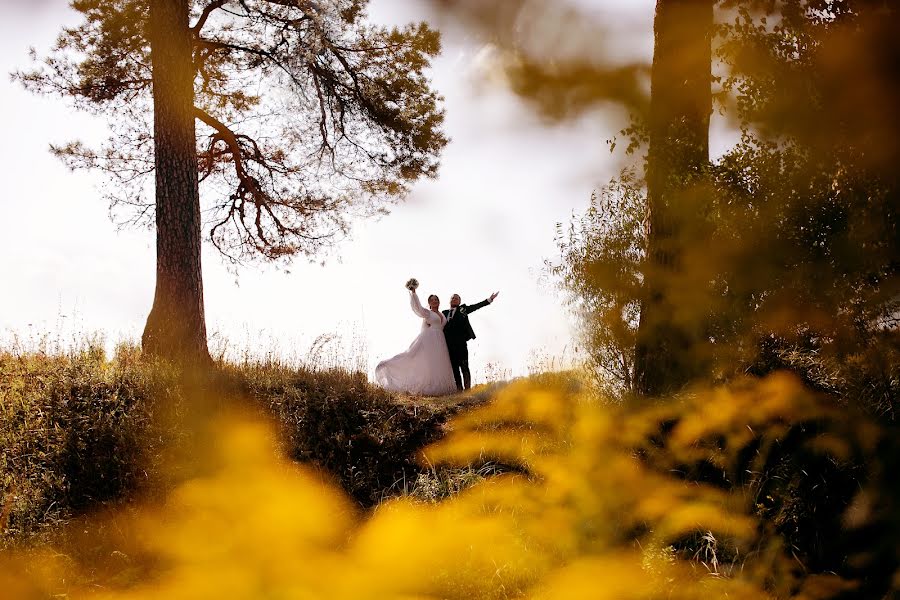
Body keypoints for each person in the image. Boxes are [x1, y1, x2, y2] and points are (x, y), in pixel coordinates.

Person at [374, 286, 457, 396]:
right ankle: (387, 366)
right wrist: (413, 293)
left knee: (440, 362)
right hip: (430, 339)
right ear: (429, 303)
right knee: (427, 361)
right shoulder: (427, 313)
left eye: (436, 299)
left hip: (440, 340)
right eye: (432, 300)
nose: (435, 301)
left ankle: (443, 387)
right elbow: (418, 308)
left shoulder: (442, 314)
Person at [442, 291, 499, 390]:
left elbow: (475, 306)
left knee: (464, 366)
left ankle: (468, 390)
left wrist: (489, 300)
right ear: (449, 300)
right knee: (455, 369)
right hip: (449, 345)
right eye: (452, 298)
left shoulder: (463, 309)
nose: (454, 299)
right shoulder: (444, 313)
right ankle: (459, 390)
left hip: (461, 344)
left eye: (456, 298)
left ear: (459, 301)